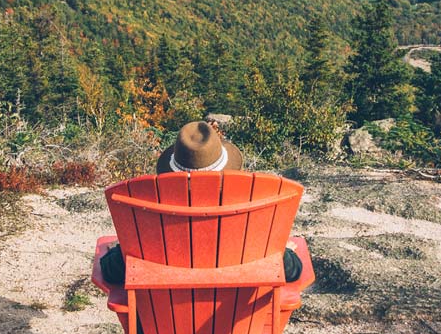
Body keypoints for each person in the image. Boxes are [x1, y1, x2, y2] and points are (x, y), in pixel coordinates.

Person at [99, 121, 302, 287]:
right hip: (238, 332)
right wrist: (282, 250)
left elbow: (111, 273)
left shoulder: (153, 217)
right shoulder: (249, 219)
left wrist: (121, 248)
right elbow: (292, 271)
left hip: (161, 331)